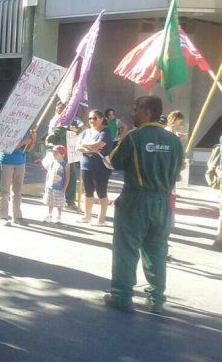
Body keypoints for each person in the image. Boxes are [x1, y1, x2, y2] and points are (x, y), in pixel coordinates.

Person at [103, 96, 182, 314]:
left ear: (147, 112)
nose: (132, 113)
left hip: (136, 200)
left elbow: (115, 161)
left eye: (136, 109)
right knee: (157, 250)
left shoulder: (134, 137)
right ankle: (156, 299)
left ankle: (121, 295)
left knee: (126, 248)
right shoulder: (174, 141)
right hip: (162, 201)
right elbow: (177, 172)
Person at [46, 103, 84, 212]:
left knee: (71, 178)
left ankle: (70, 201)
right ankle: (54, 201)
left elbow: (81, 126)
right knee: (56, 179)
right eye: (59, 109)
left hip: (70, 155)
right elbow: (50, 138)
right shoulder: (56, 122)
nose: (61, 111)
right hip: (59, 157)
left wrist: (76, 129)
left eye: (63, 109)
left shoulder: (72, 120)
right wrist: (51, 149)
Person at [77, 109, 113, 226]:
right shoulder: (86, 132)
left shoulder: (106, 132)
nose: (92, 121)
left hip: (101, 166)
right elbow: (78, 146)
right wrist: (89, 147)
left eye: (95, 118)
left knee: (101, 191)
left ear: (101, 119)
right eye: (90, 118)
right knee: (88, 191)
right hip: (86, 164)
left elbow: (98, 146)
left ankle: (101, 219)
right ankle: (87, 216)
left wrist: (86, 146)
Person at [0, 129, 36, 226]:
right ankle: (2, 216)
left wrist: (33, 140)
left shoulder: (26, 130)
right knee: (4, 190)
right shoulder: (9, 128)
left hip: (20, 162)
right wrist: (23, 142)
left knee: (18, 192)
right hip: (6, 161)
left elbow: (27, 149)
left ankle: (17, 216)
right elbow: (5, 147)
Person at [43, 145, 70, 224]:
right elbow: (48, 174)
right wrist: (46, 185)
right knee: (50, 202)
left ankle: (59, 216)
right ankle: (49, 215)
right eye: (53, 153)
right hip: (50, 186)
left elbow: (67, 178)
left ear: (63, 154)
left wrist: (64, 189)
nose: (54, 155)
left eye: (56, 154)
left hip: (59, 187)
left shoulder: (66, 165)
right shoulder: (51, 163)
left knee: (59, 203)